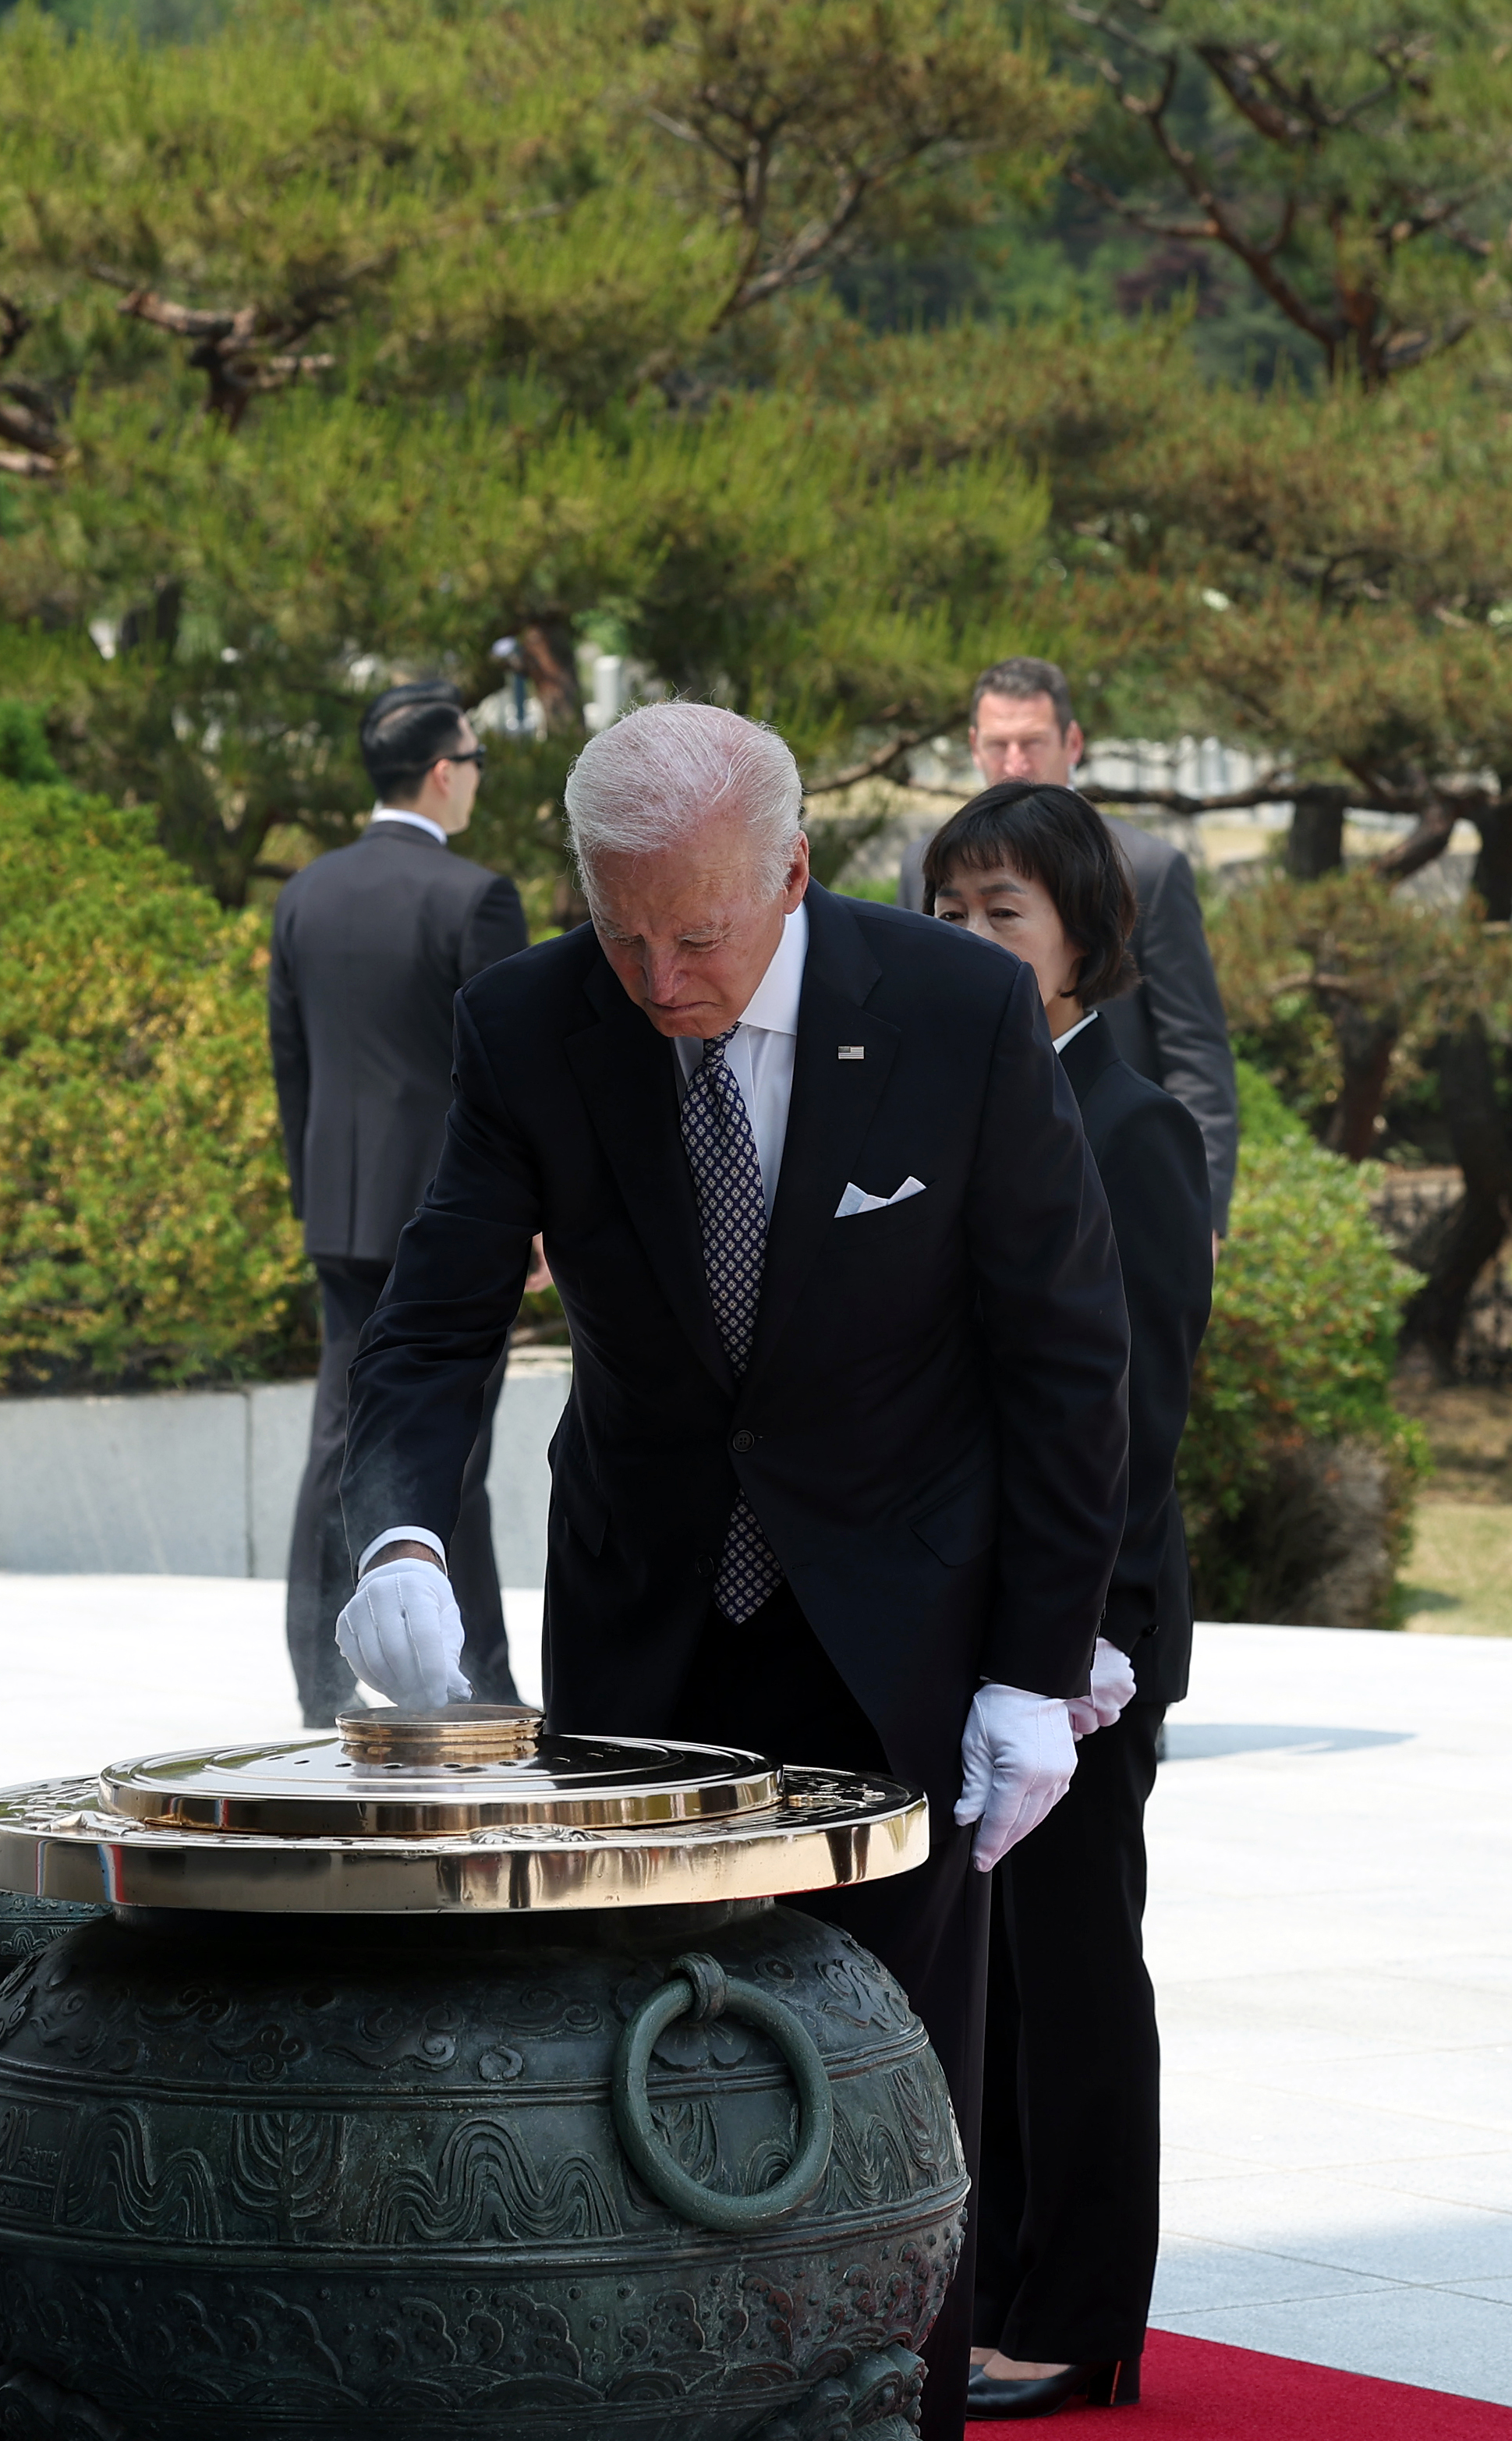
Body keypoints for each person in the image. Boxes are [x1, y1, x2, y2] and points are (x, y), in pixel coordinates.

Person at [332, 701, 1133, 2441]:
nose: (657, 973)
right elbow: (431, 1325)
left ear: (786, 872)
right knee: (628, 2082)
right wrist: (394, 1522)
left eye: (695, 931)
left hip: (898, 1630)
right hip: (648, 1627)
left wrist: (1033, 1663)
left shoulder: (951, 1011)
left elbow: (1065, 1355)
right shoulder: (531, 1024)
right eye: (620, 930)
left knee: (884, 2095)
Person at [925, 784, 1214, 2419]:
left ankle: (1078, 2314)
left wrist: (1071, 1642)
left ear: (1082, 939)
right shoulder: (960, 1109)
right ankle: (998, 2280)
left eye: (1002, 913)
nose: (968, 941)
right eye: (949, 912)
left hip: (1085, 1639)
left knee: (1076, 1975)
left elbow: (1136, 1416)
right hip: (965, 1617)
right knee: (992, 1980)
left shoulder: (1128, 1125)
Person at [267, 678, 533, 1723]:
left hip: (339, 1216)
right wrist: (533, 1212)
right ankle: (484, 1688)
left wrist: (316, 1198)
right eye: (472, 760)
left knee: (337, 1439)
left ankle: (316, 1681)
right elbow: (507, 1082)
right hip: (449, 1224)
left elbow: (292, 1068)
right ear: (439, 771)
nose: (473, 779)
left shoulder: (305, 893)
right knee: (447, 1451)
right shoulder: (474, 897)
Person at [898, 657, 1238, 1238]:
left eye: (1030, 743)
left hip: (1109, 1166)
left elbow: (1194, 1050)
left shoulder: (1147, 867)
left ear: (1071, 741)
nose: (1013, 763)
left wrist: (1199, 1214)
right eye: (998, 744)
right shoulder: (923, 861)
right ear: (973, 746)